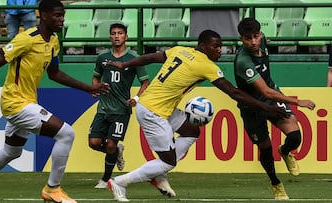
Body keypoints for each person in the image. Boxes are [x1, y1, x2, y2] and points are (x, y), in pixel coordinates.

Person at [104, 29, 291, 202]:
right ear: (203, 46)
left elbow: (151, 57)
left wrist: (126, 64)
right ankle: (120, 182)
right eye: (215, 46)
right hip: (153, 112)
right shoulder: (206, 65)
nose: (220, 50)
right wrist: (266, 108)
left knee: (192, 131)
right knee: (168, 162)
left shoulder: (180, 50)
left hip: (160, 107)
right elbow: (234, 93)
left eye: (221, 46)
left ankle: (158, 173)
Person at [0, 0, 110, 203]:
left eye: (62, 15)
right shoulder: (26, 39)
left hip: (27, 101)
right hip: (15, 103)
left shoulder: (53, 41)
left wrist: (88, 87)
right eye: (57, 15)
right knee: (66, 134)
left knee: (12, 152)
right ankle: (52, 189)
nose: (61, 19)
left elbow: (54, 74)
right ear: (43, 15)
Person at [233, 18, 316, 200]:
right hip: (252, 106)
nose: (253, 42)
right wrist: (297, 101)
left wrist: (265, 41)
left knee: (295, 136)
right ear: (241, 39)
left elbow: (269, 92)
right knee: (265, 148)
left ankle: (285, 151)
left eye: (256, 36)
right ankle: (276, 183)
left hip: (270, 97)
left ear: (260, 34)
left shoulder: (262, 41)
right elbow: (266, 92)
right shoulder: (243, 61)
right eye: (248, 39)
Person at [88, 23, 149, 189]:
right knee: (93, 143)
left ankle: (105, 179)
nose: (116, 36)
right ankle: (117, 152)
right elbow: (96, 77)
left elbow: (145, 82)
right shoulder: (102, 58)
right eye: (113, 33)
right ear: (110, 37)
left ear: (126, 37)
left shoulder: (133, 58)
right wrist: (95, 88)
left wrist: (136, 98)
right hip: (103, 108)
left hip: (121, 110)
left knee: (110, 144)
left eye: (120, 33)